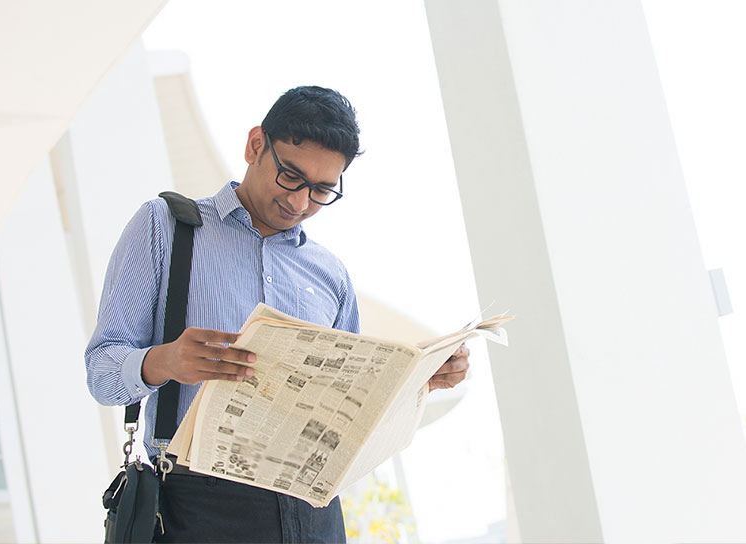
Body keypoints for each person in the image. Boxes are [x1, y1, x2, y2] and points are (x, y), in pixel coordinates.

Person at [85, 86, 470, 543]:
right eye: (291, 176)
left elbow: (348, 409)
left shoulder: (331, 275)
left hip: (314, 511)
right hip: (197, 507)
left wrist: (416, 380)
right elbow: (101, 371)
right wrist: (165, 361)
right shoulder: (166, 226)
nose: (301, 202)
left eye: (323, 189)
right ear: (254, 146)